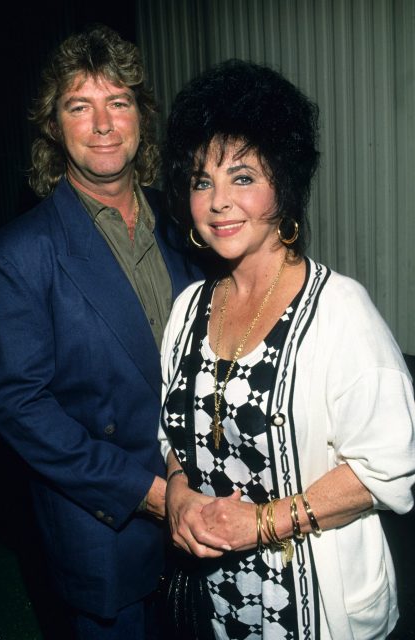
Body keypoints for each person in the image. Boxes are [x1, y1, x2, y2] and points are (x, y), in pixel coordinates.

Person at [158, 59, 415, 639]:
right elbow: (172, 431)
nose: (219, 201)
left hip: (311, 601)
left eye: (243, 177)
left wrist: (262, 523)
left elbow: (388, 468)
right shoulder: (188, 308)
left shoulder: (340, 312)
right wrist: (176, 491)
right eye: (202, 180)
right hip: (215, 597)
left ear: (285, 184)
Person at [0, 23, 200, 640]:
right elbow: (20, 407)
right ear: (54, 125)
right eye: (80, 106)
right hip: (108, 528)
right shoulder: (15, 257)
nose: (102, 124)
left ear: (140, 116)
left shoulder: (189, 223)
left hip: (206, 508)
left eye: (117, 102)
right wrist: (152, 494)